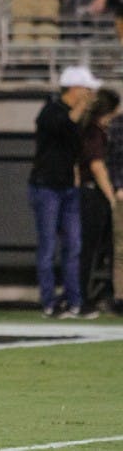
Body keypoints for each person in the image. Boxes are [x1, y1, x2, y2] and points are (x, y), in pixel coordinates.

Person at [29, 65, 101, 319]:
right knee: (48, 246)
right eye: (87, 89)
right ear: (74, 88)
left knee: (74, 246)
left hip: (68, 188)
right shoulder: (51, 111)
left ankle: (74, 301)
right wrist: (80, 107)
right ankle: (49, 303)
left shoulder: (77, 117)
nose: (91, 94)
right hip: (46, 186)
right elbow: (60, 127)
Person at [78, 87, 119, 310]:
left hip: (90, 193)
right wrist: (111, 197)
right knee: (89, 248)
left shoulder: (93, 130)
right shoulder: (94, 132)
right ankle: (82, 297)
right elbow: (97, 166)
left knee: (95, 249)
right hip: (93, 195)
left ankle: (96, 294)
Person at [107, 107, 123, 314]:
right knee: (121, 248)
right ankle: (121, 297)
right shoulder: (119, 124)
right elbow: (113, 158)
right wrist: (119, 186)